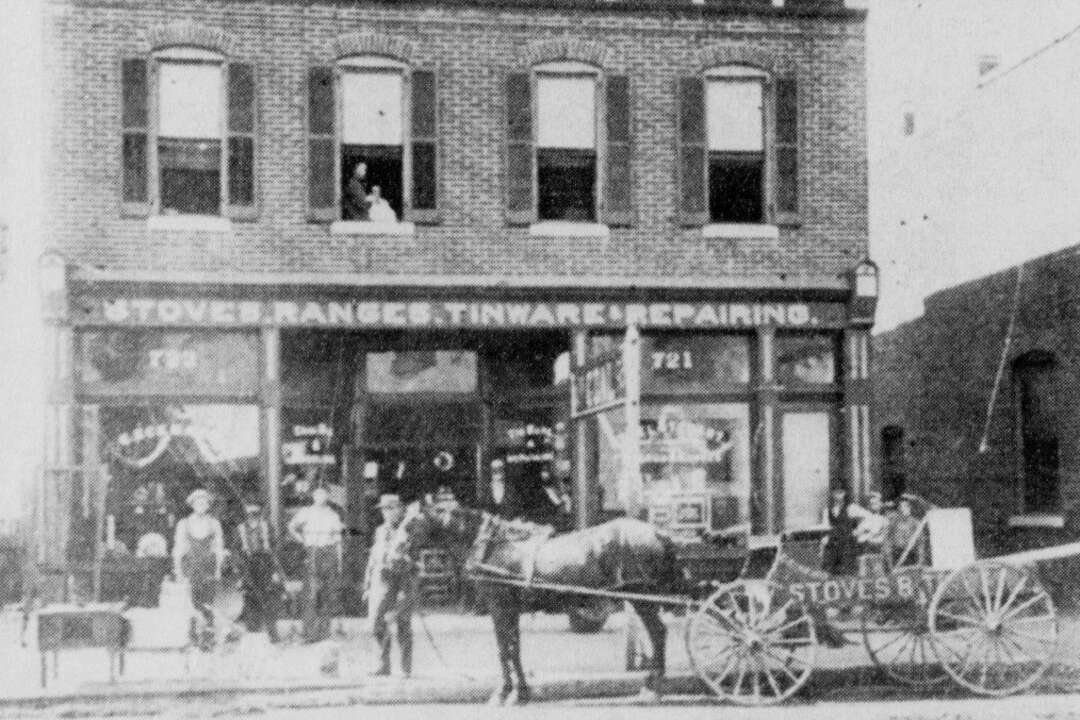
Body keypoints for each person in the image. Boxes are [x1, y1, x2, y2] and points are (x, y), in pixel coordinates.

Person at [364, 494, 417, 678]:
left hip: (403, 580)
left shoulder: (410, 529)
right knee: (376, 622)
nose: (387, 513)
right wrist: (367, 585)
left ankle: (405, 667)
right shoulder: (380, 531)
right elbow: (373, 558)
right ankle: (383, 664)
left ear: (400, 510)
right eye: (384, 510)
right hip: (382, 580)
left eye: (391, 508)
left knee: (403, 622)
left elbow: (415, 556)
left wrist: (406, 560)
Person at [287, 486, 344, 643]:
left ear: (328, 496)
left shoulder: (333, 515)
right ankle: (310, 633)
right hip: (312, 552)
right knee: (311, 593)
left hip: (328, 553)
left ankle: (324, 632)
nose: (320, 496)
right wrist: (302, 540)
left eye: (324, 493)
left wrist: (339, 561)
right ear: (313, 495)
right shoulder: (306, 512)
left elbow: (338, 539)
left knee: (326, 592)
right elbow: (291, 527)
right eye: (317, 493)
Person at [173, 488, 225, 647]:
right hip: (192, 567)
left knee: (208, 603)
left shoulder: (214, 524)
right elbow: (179, 548)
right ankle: (193, 637)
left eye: (204, 503)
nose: (201, 506)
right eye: (198, 503)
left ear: (208, 505)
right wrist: (178, 570)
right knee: (192, 602)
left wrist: (218, 569)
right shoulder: (184, 524)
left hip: (208, 567)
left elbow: (219, 547)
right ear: (192, 505)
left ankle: (208, 639)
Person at [236, 500, 280, 643]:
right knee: (250, 598)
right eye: (249, 510)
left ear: (260, 511)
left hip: (265, 565)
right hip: (248, 565)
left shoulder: (267, 527)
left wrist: (275, 571)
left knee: (268, 599)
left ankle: (272, 634)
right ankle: (253, 632)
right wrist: (240, 574)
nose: (252, 513)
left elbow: (275, 549)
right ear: (246, 512)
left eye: (255, 510)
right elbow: (236, 551)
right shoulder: (241, 529)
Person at [821, 487, 858, 575]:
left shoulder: (851, 508)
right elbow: (825, 527)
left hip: (847, 543)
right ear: (832, 494)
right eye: (836, 492)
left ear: (844, 493)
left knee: (846, 570)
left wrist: (858, 531)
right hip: (832, 543)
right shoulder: (827, 510)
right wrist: (825, 537)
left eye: (841, 492)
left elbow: (866, 517)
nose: (838, 495)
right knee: (831, 571)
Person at [885, 496, 925, 566]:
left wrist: (920, 562)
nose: (903, 509)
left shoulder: (916, 523)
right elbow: (888, 542)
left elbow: (920, 544)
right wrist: (889, 563)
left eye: (906, 506)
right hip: (897, 555)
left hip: (911, 555)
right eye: (900, 507)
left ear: (910, 508)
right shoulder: (893, 523)